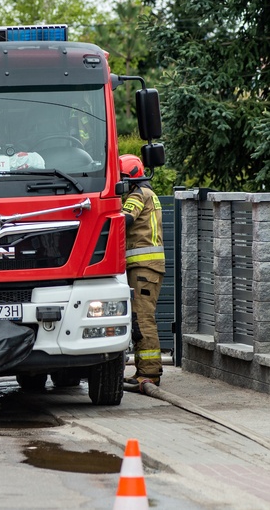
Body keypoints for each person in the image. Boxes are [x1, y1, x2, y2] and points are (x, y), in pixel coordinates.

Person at [119, 154, 165, 392]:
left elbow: (123, 220)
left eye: (122, 178)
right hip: (147, 268)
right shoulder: (149, 194)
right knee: (140, 318)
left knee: (143, 319)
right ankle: (144, 371)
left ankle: (148, 374)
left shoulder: (138, 196)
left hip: (144, 268)